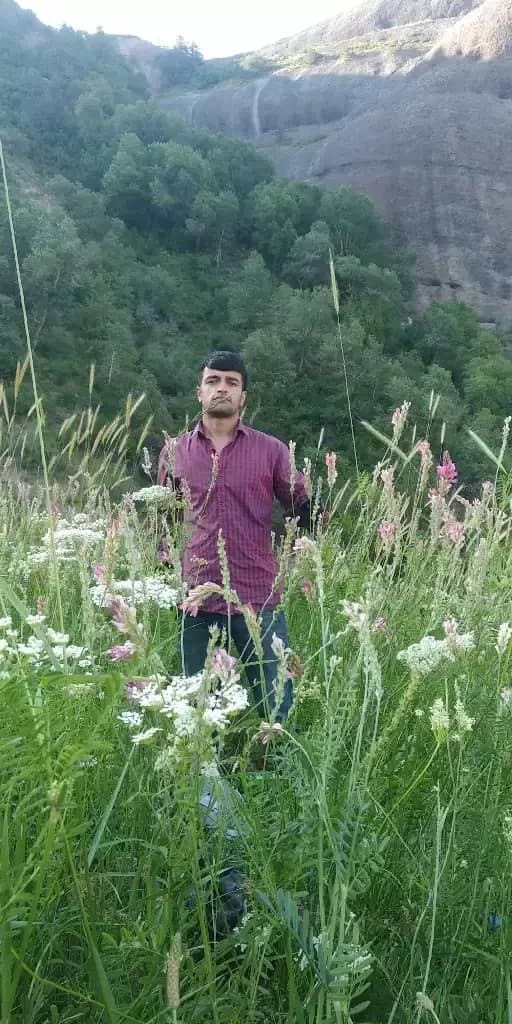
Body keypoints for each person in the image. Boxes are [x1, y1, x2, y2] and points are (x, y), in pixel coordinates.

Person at [157, 350, 315, 721]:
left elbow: (303, 506)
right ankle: (208, 762)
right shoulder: (175, 452)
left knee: (275, 706)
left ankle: (273, 759)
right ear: (199, 391)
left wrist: (302, 546)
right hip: (195, 599)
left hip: (258, 596)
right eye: (212, 381)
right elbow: (163, 523)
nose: (221, 389)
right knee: (199, 709)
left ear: (243, 396)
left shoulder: (272, 451)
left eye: (232, 382)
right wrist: (166, 571)